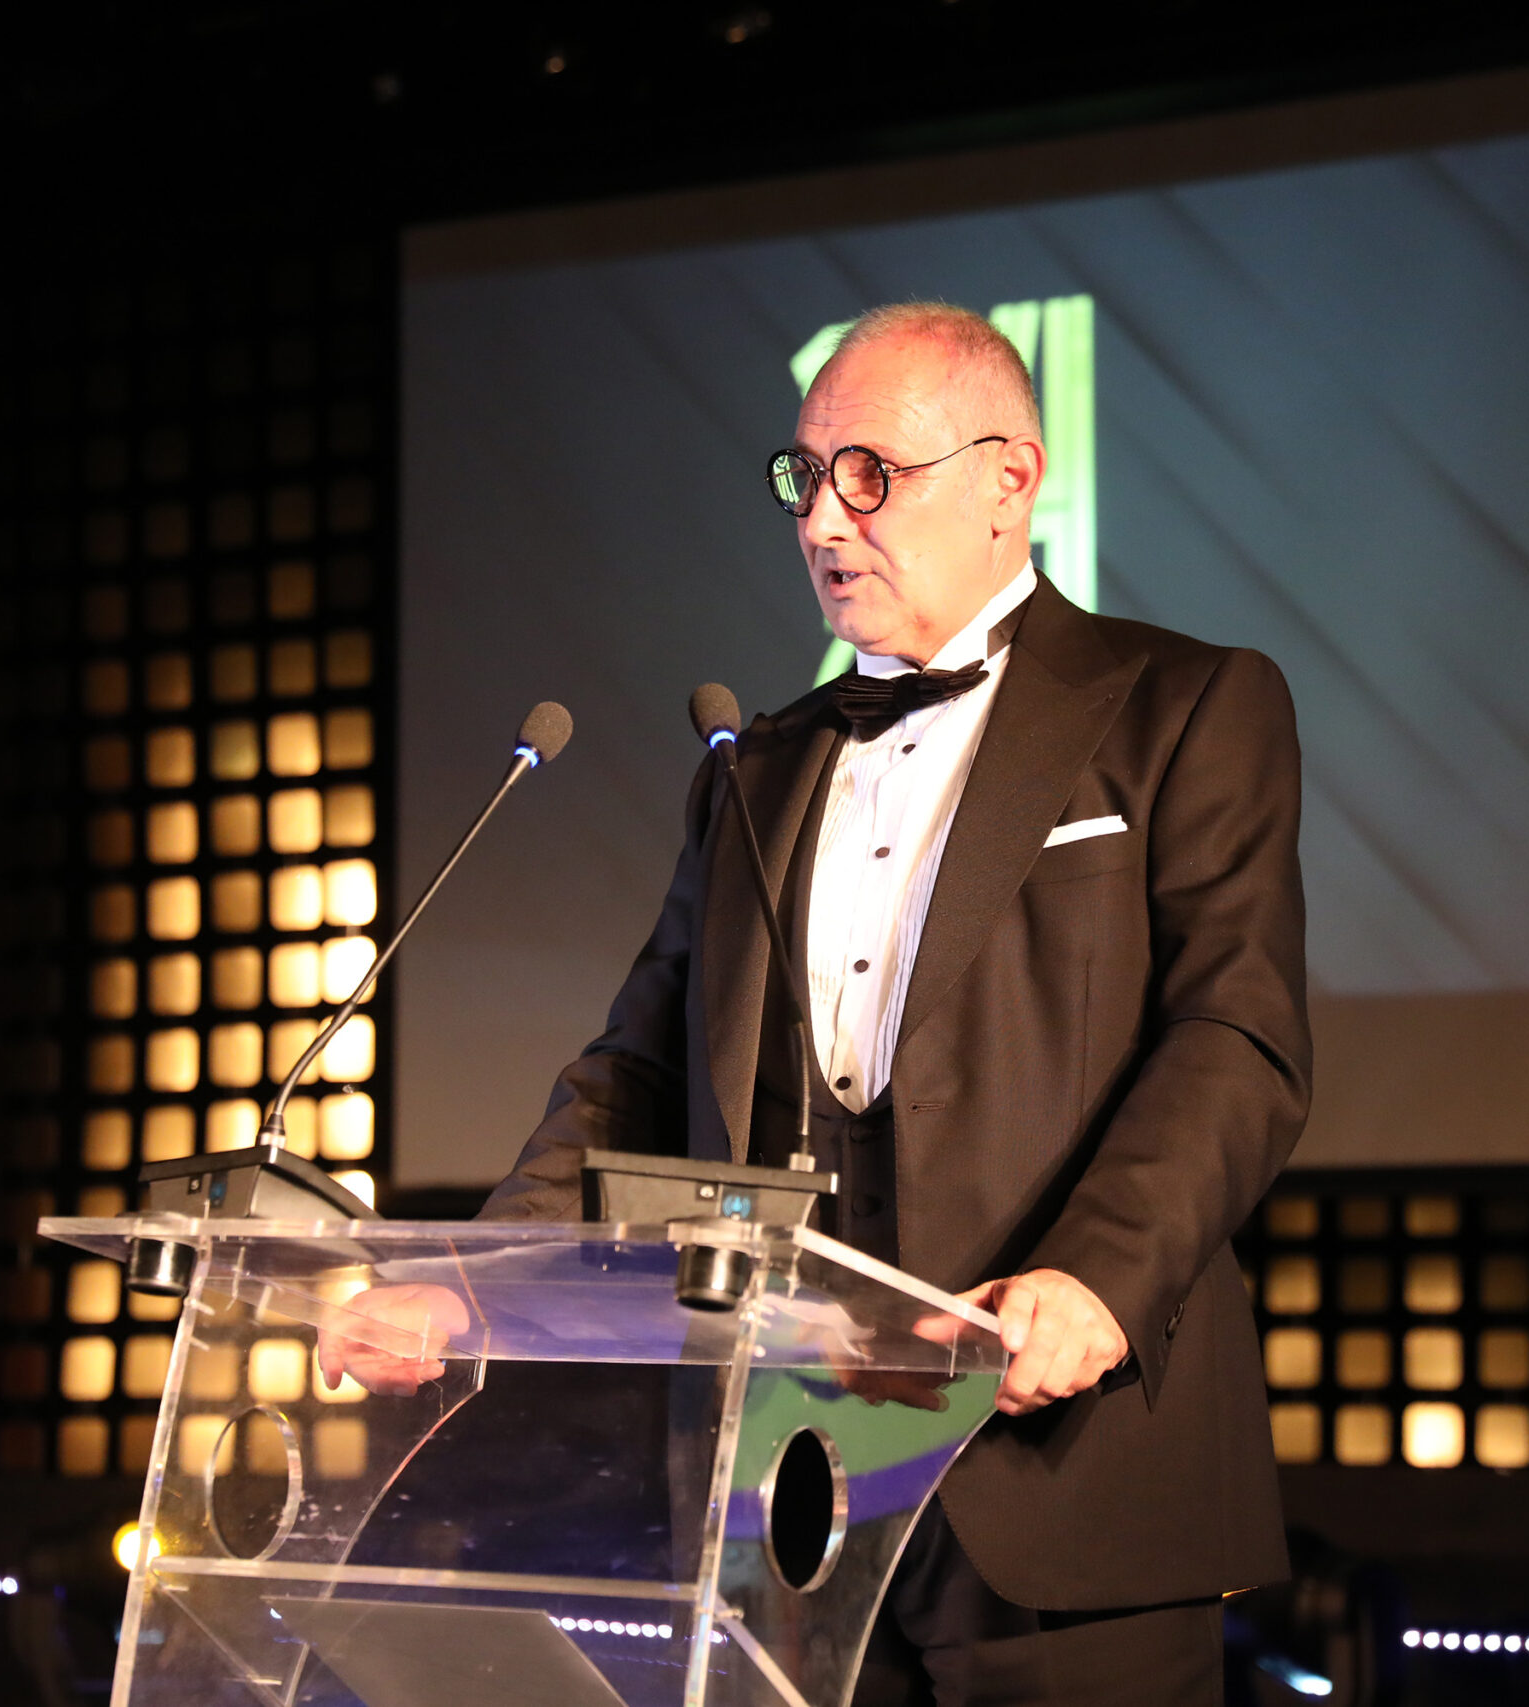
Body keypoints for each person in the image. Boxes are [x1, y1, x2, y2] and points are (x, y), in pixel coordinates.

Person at [345, 302, 1311, 1704]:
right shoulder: (755, 765)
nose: (823, 519)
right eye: (806, 476)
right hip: (789, 1487)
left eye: (873, 474)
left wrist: (1097, 1280)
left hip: (1065, 1462)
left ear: (1011, 479)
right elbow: (636, 1074)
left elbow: (1237, 1036)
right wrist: (472, 1283)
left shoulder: (1185, 702)